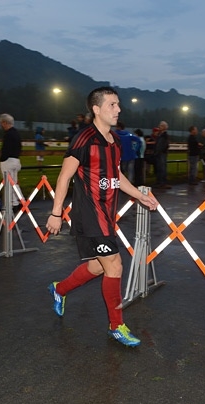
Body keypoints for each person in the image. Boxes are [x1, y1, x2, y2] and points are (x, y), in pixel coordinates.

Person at [45, 86, 159, 347]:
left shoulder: (115, 140)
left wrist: (139, 196)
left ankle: (59, 289)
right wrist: (56, 213)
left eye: (118, 104)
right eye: (112, 105)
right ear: (96, 109)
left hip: (107, 214)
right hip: (89, 215)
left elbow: (115, 175)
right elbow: (64, 176)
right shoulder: (84, 139)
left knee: (99, 266)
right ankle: (116, 326)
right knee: (115, 265)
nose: (118, 109)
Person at [0, 113, 23, 214]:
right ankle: (18, 201)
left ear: (5, 123)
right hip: (16, 160)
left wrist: (2, 159)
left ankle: (12, 204)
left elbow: (6, 149)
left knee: (8, 184)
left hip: (8, 161)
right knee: (14, 183)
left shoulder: (8, 135)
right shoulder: (16, 133)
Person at [154, 120, 171, 189]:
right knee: (159, 168)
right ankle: (160, 182)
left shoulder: (164, 136)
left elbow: (163, 145)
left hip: (162, 153)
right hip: (160, 153)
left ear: (164, 127)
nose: (159, 127)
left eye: (160, 126)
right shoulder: (160, 135)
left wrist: (158, 151)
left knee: (162, 168)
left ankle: (162, 182)